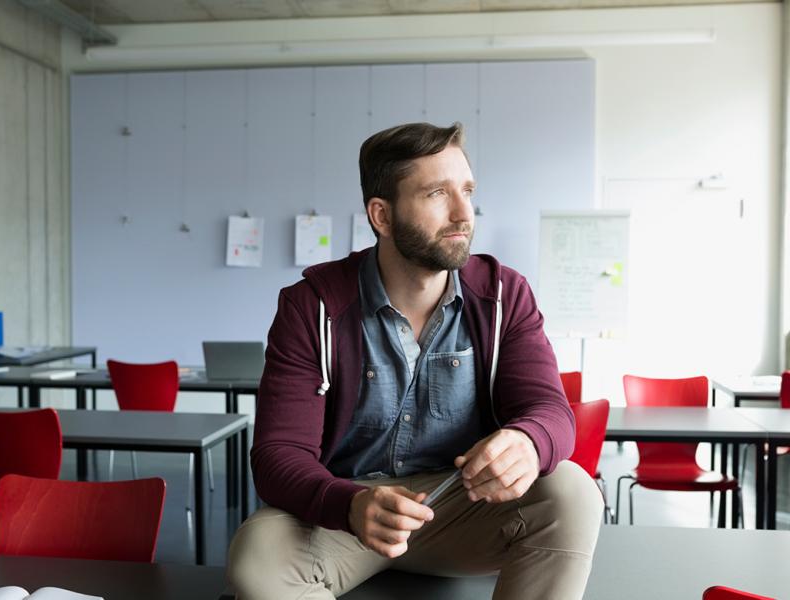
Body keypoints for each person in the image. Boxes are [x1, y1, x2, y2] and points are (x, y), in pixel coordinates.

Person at [228, 122, 603, 599]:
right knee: (255, 554)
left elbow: (552, 412)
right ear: (381, 215)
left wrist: (530, 442)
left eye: (467, 190)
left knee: (571, 491)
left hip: (465, 507)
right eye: (436, 194)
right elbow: (278, 455)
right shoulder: (311, 305)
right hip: (351, 517)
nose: (463, 213)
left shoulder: (505, 294)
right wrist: (350, 504)